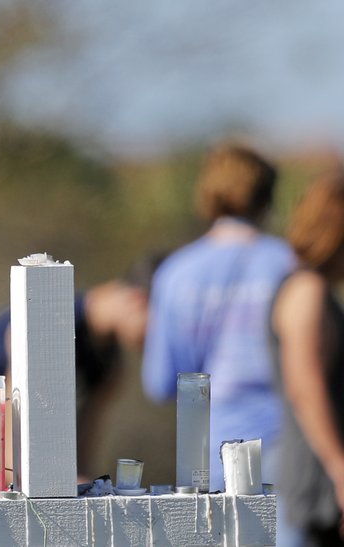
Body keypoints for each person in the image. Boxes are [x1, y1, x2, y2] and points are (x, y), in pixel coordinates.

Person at [0, 252, 162, 488]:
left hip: (16, 482)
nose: (162, 341)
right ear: (138, 300)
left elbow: (84, 447)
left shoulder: (109, 361)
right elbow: (15, 442)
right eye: (164, 325)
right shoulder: (48, 318)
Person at [141, 141, 295, 493]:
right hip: (291, 447)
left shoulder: (177, 273)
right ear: (267, 196)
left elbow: (161, 382)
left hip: (212, 456)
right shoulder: (290, 265)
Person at [271, 172, 344, 546]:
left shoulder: (314, 290)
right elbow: (305, 388)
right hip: (317, 485)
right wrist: (339, 467)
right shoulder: (307, 292)